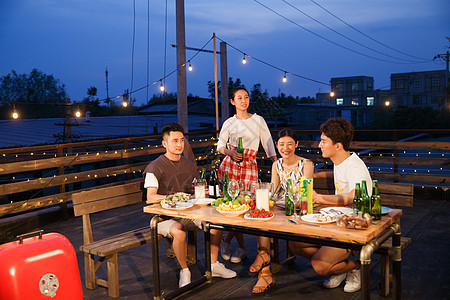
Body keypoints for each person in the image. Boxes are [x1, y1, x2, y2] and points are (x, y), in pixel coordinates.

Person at [144, 123, 237, 288]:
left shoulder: (188, 164)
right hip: (163, 216)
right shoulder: (155, 167)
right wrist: (170, 197)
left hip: (189, 212)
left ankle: (214, 265)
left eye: (182, 140)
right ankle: (184, 270)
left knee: (216, 224)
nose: (179, 144)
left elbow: (194, 190)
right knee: (178, 231)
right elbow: (150, 197)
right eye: (174, 141)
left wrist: (203, 190)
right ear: (164, 143)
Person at [289, 117, 372, 293]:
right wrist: (316, 175)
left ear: (338, 145)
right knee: (294, 244)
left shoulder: (355, 167)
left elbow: (354, 195)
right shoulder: (341, 161)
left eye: (324, 141)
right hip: (338, 219)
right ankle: (339, 264)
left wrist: (320, 198)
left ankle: (355, 267)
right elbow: (338, 174)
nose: (320, 145)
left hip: (355, 225)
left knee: (319, 266)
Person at [217, 87, 277, 265]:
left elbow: (268, 144)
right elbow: (220, 146)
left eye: (246, 97)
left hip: (249, 166)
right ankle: (242, 248)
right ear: (232, 101)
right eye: (239, 98)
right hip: (231, 165)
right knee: (234, 208)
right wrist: (230, 152)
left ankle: (226, 239)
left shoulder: (258, 120)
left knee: (248, 206)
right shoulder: (229, 122)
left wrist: (277, 164)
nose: (244, 101)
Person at [250, 129, 314, 294]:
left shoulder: (306, 164)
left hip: (302, 210)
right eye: (281, 144)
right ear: (277, 146)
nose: (286, 148)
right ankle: (264, 270)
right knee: (262, 220)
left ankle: (264, 267)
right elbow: (273, 191)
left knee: (266, 223)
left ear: (296, 145)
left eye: (290, 144)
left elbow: (306, 197)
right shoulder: (276, 164)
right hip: (282, 209)